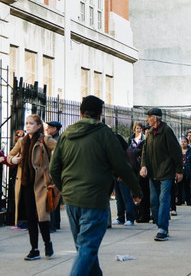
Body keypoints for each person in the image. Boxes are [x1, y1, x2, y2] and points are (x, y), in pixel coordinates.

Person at [50, 95, 141, 275]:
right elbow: (121, 166)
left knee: (85, 250)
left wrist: (65, 190)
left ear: (80, 112)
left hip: (72, 201)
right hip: (95, 200)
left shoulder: (66, 134)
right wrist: (136, 190)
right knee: (87, 250)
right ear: (100, 115)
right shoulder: (104, 133)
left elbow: (54, 168)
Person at [8, 114, 56, 261]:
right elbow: (9, 155)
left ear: (38, 126)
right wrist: (13, 159)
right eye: (26, 123)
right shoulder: (22, 141)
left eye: (31, 123)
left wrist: (52, 170)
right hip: (25, 183)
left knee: (42, 217)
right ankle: (34, 249)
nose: (28, 126)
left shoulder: (45, 140)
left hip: (41, 183)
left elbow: (61, 151)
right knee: (30, 218)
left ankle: (47, 244)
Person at [139, 108, 183, 242]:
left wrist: (179, 170)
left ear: (155, 118)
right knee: (154, 201)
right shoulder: (151, 132)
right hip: (153, 173)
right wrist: (143, 165)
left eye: (149, 117)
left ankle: (163, 229)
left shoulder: (166, 131)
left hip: (166, 172)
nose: (147, 120)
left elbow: (176, 152)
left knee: (164, 200)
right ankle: (160, 225)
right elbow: (145, 151)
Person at [112, 133, 136, 226]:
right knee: (118, 198)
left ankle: (130, 218)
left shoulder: (124, 149)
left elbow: (130, 160)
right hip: (115, 174)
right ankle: (120, 217)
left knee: (126, 197)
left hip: (123, 175)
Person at [128, 121, 150, 222]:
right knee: (139, 192)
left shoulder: (145, 142)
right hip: (137, 168)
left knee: (146, 193)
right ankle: (140, 214)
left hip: (147, 169)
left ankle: (146, 214)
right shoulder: (134, 140)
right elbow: (131, 151)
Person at [46, 120, 63, 232]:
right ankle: (56, 223)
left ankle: (52, 225)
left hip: (54, 173)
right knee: (55, 197)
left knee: (52, 197)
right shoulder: (58, 139)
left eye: (49, 128)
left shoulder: (54, 141)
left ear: (55, 129)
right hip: (57, 172)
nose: (47, 129)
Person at [177, 137, 191, 206]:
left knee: (187, 186)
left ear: (187, 143)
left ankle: (188, 200)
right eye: (182, 141)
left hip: (188, 169)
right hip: (180, 170)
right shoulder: (178, 151)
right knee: (179, 186)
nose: (183, 143)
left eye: (184, 142)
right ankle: (180, 200)